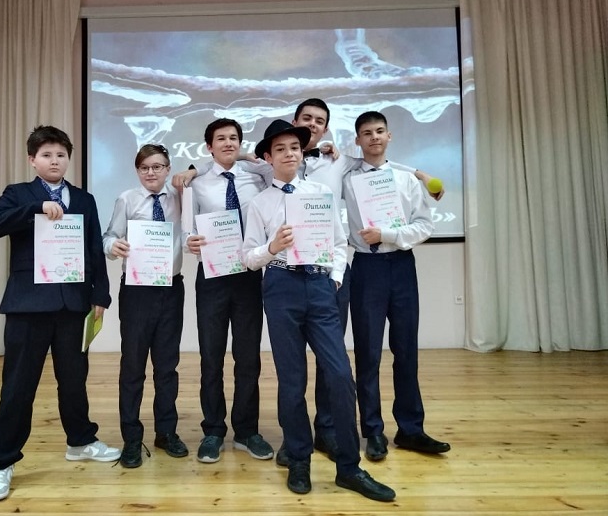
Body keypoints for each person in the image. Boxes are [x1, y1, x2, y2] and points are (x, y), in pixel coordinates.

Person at [174, 98, 443, 466]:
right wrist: (192, 171)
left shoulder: (338, 165)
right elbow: (234, 169)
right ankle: (274, 440)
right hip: (259, 277)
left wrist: (421, 175)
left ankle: (330, 434)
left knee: (335, 367)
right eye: (305, 120)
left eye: (318, 122)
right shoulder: (257, 179)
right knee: (275, 368)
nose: (309, 129)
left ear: (324, 130)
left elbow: (378, 161)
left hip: (323, 279)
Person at [242, 119, 395, 501]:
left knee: (340, 375)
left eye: (294, 147)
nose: (289, 154)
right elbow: (247, 257)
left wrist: (336, 278)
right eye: (280, 149)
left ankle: (349, 467)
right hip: (281, 287)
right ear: (268, 157)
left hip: (320, 286)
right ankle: (299, 459)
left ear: (302, 152)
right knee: (292, 381)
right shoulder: (260, 203)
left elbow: (339, 242)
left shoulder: (320, 193)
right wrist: (272, 247)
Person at [0, 125, 119, 502]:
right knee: (18, 386)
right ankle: (0, 462)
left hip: (74, 304)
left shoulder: (84, 199)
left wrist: (101, 295)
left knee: (74, 381)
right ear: (32, 160)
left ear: (68, 158)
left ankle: (80, 441)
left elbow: (94, 250)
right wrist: (34, 209)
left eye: (60, 155)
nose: (54, 161)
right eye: (46, 155)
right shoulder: (18, 194)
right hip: (28, 306)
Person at [342, 111, 450, 462]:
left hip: (401, 266)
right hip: (366, 268)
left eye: (379, 131)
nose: (374, 137)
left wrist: (387, 234)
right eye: (366, 133)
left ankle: (411, 429)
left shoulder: (405, 179)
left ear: (389, 136)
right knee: (368, 353)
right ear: (357, 140)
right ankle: (372, 430)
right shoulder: (347, 178)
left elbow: (424, 226)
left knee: (406, 351)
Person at [184, 118, 274, 463]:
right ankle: (213, 430)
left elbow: (279, 168)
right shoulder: (197, 183)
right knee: (211, 356)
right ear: (209, 146)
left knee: (248, 357)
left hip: (249, 273)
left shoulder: (257, 177)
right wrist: (189, 241)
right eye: (220, 139)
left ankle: (247, 430)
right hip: (212, 276)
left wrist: (250, 157)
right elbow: (186, 228)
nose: (228, 143)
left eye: (233, 138)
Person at [102, 144, 188, 468]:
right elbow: (108, 237)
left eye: (157, 166)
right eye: (144, 168)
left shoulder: (180, 197)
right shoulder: (127, 199)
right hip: (137, 291)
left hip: (171, 288)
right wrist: (115, 246)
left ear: (168, 169)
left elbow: (206, 172)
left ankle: (166, 432)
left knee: (167, 366)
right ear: (137, 171)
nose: (151, 172)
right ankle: (131, 438)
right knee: (133, 366)